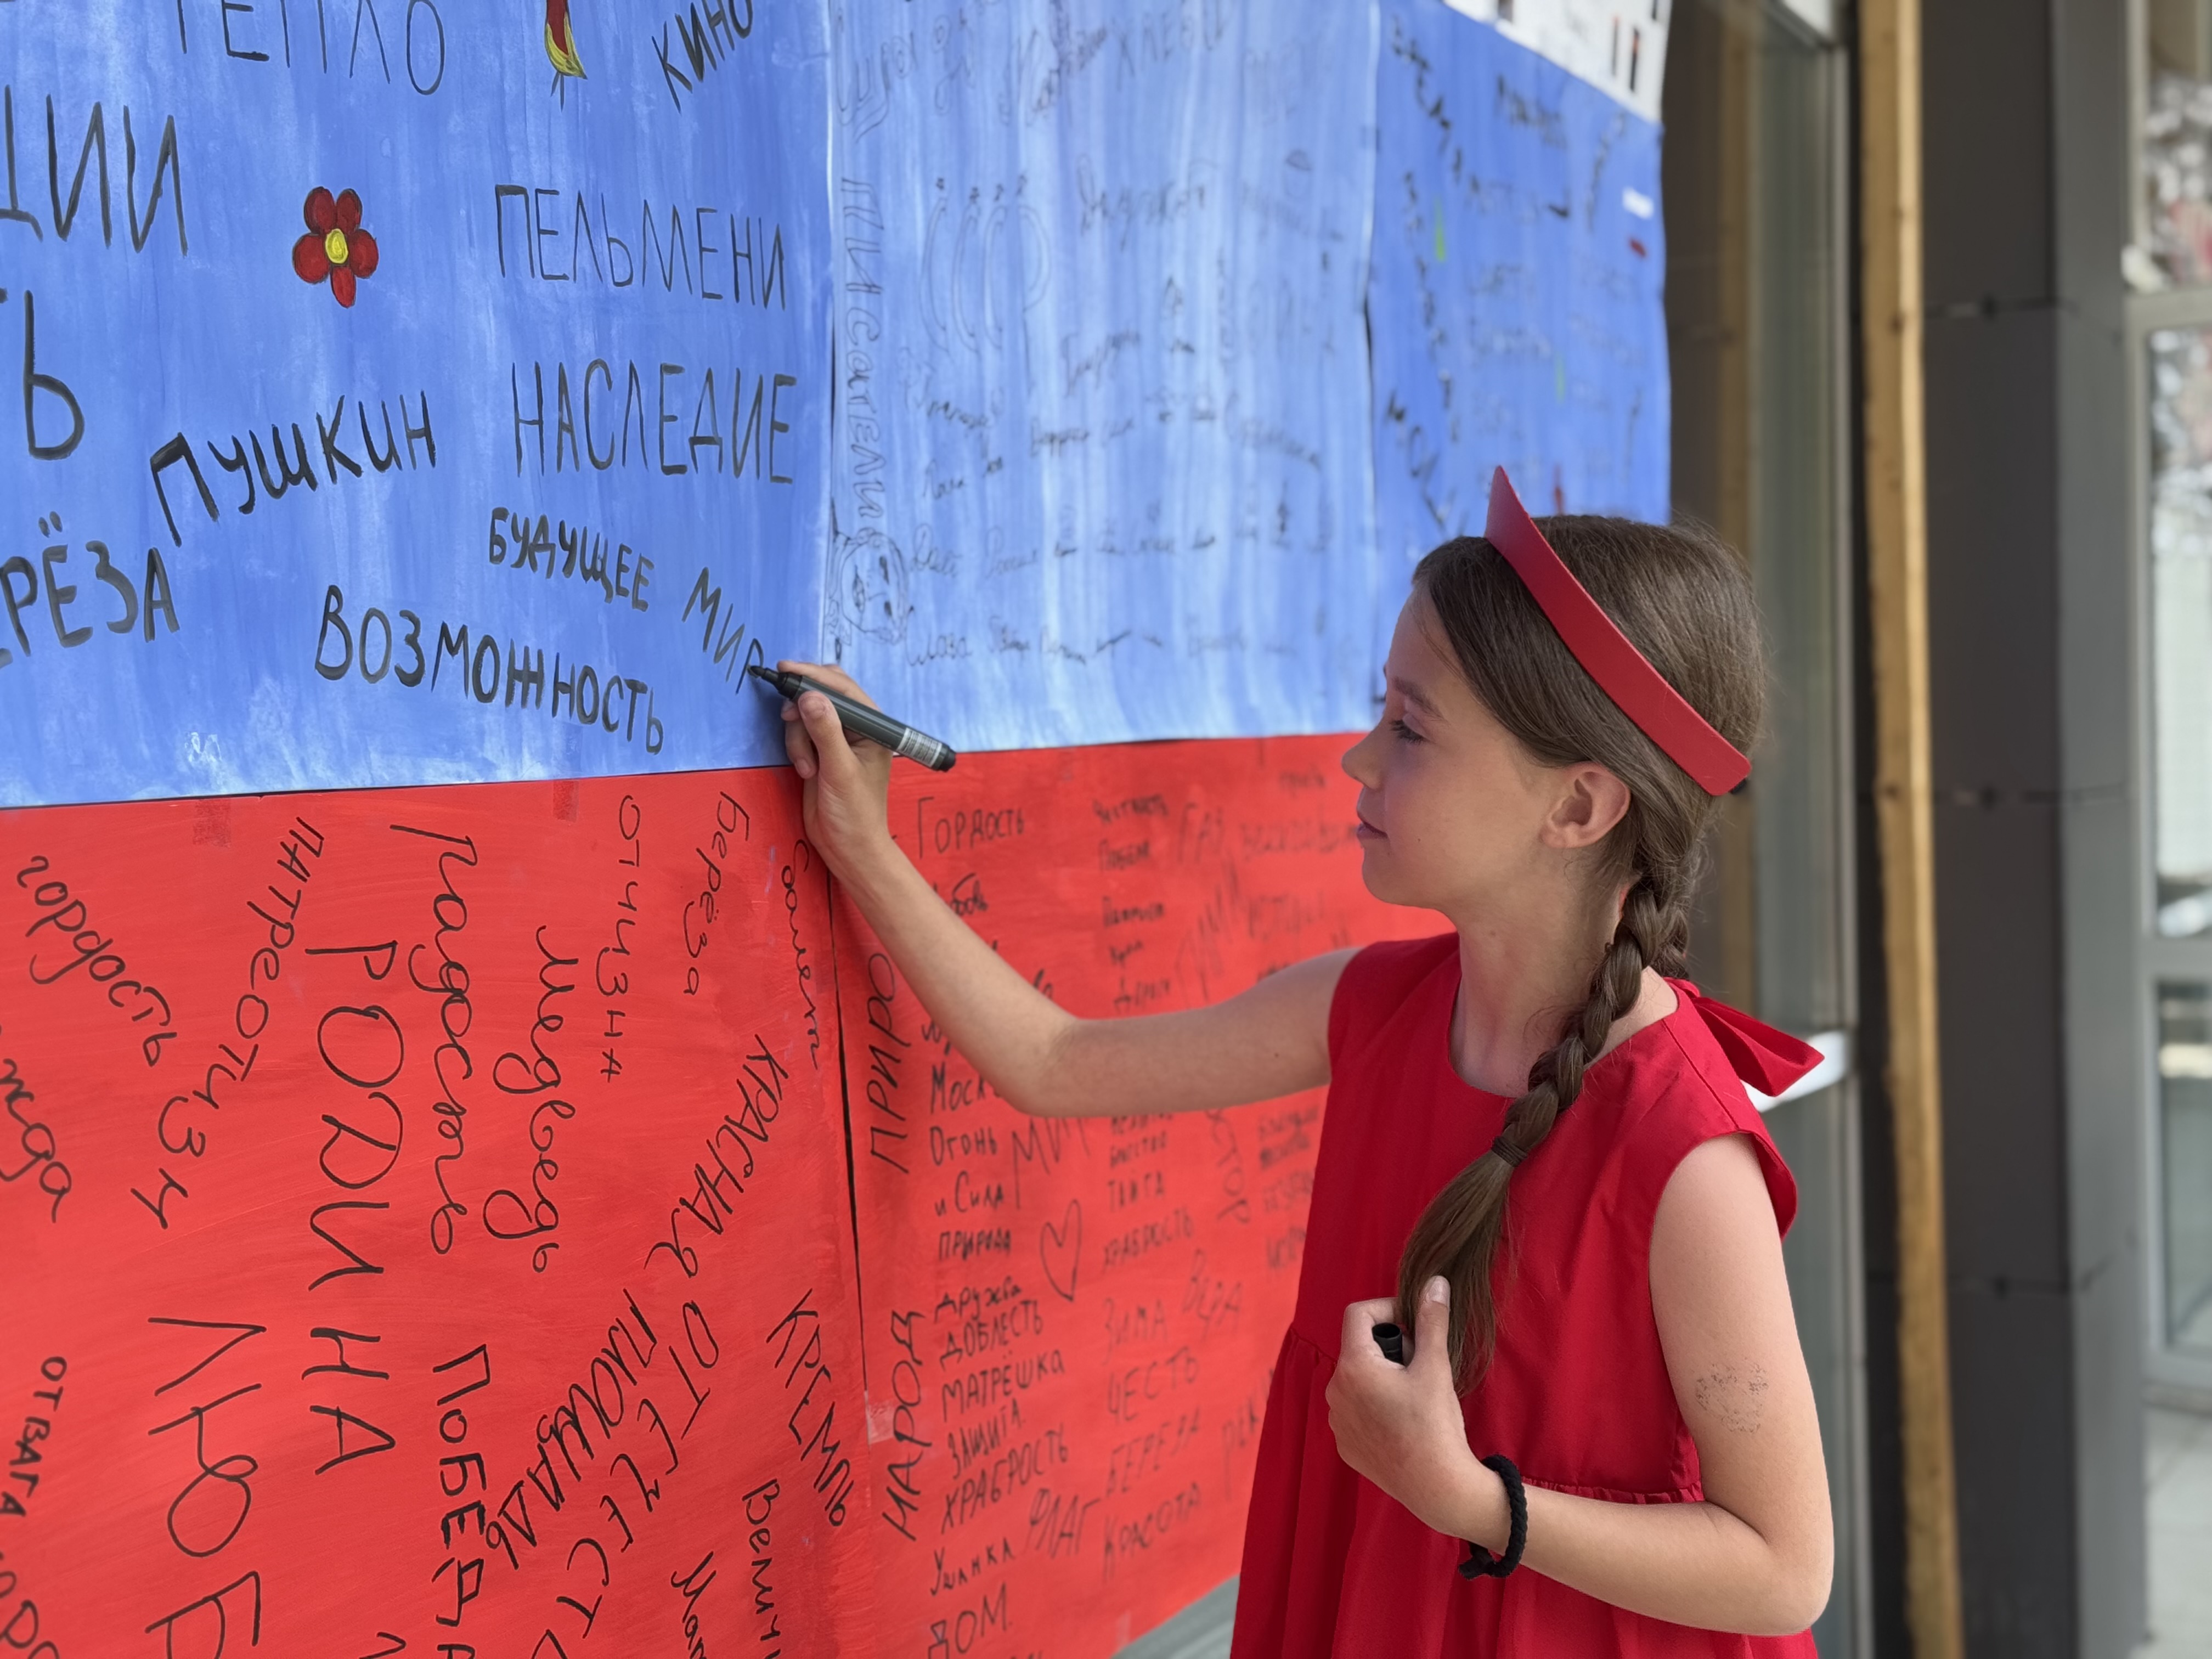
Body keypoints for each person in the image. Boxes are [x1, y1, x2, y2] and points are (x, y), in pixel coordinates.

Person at [777, 470, 1833, 1656]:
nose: (1359, 760)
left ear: (1580, 808)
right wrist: (860, 844)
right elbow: (1055, 1063)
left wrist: (1471, 1502)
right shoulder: (1374, 1010)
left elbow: (1788, 1569)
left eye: (1411, 728)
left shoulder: (1682, 1149)